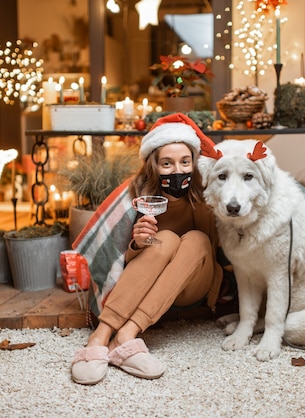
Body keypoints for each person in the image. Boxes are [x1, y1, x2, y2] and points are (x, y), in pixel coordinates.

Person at [70, 113, 225, 385]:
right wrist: (137, 244)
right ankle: (103, 335)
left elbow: (221, 247)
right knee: (164, 238)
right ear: (155, 165)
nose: (177, 170)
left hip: (195, 282)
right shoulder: (138, 195)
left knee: (197, 239)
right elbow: (123, 257)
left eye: (184, 162)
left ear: (194, 163)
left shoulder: (207, 193)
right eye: (167, 163)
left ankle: (127, 333)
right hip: (152, 281)